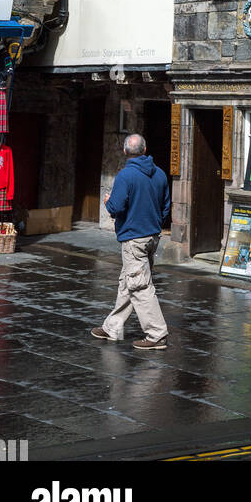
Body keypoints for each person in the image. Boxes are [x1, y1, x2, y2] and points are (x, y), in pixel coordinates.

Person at [91, 133, 170, 351]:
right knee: (129, 282)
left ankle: (157, 334)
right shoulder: (161, 174)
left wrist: (108, 201)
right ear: (145, 150)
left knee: (140, 285)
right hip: (152, 236)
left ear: (125, 152)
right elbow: (165, 207)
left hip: (134, 238)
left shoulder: (126, 176)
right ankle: (112, 326)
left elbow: (116, 208)